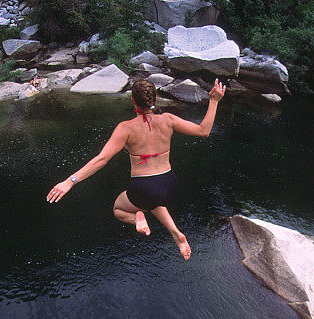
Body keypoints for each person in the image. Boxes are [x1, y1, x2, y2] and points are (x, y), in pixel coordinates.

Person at [46, 78, 226, 260]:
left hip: (143, 187)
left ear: (133, 101)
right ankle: (176, 234)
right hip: (169, 184)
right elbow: (204, 130)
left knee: (119, 209)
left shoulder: (125, 128)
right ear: (154, 100)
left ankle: (136, 218)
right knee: (154, 201)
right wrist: (214, 101)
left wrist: (69, 181)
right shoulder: (168, 119)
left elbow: (101, 159)